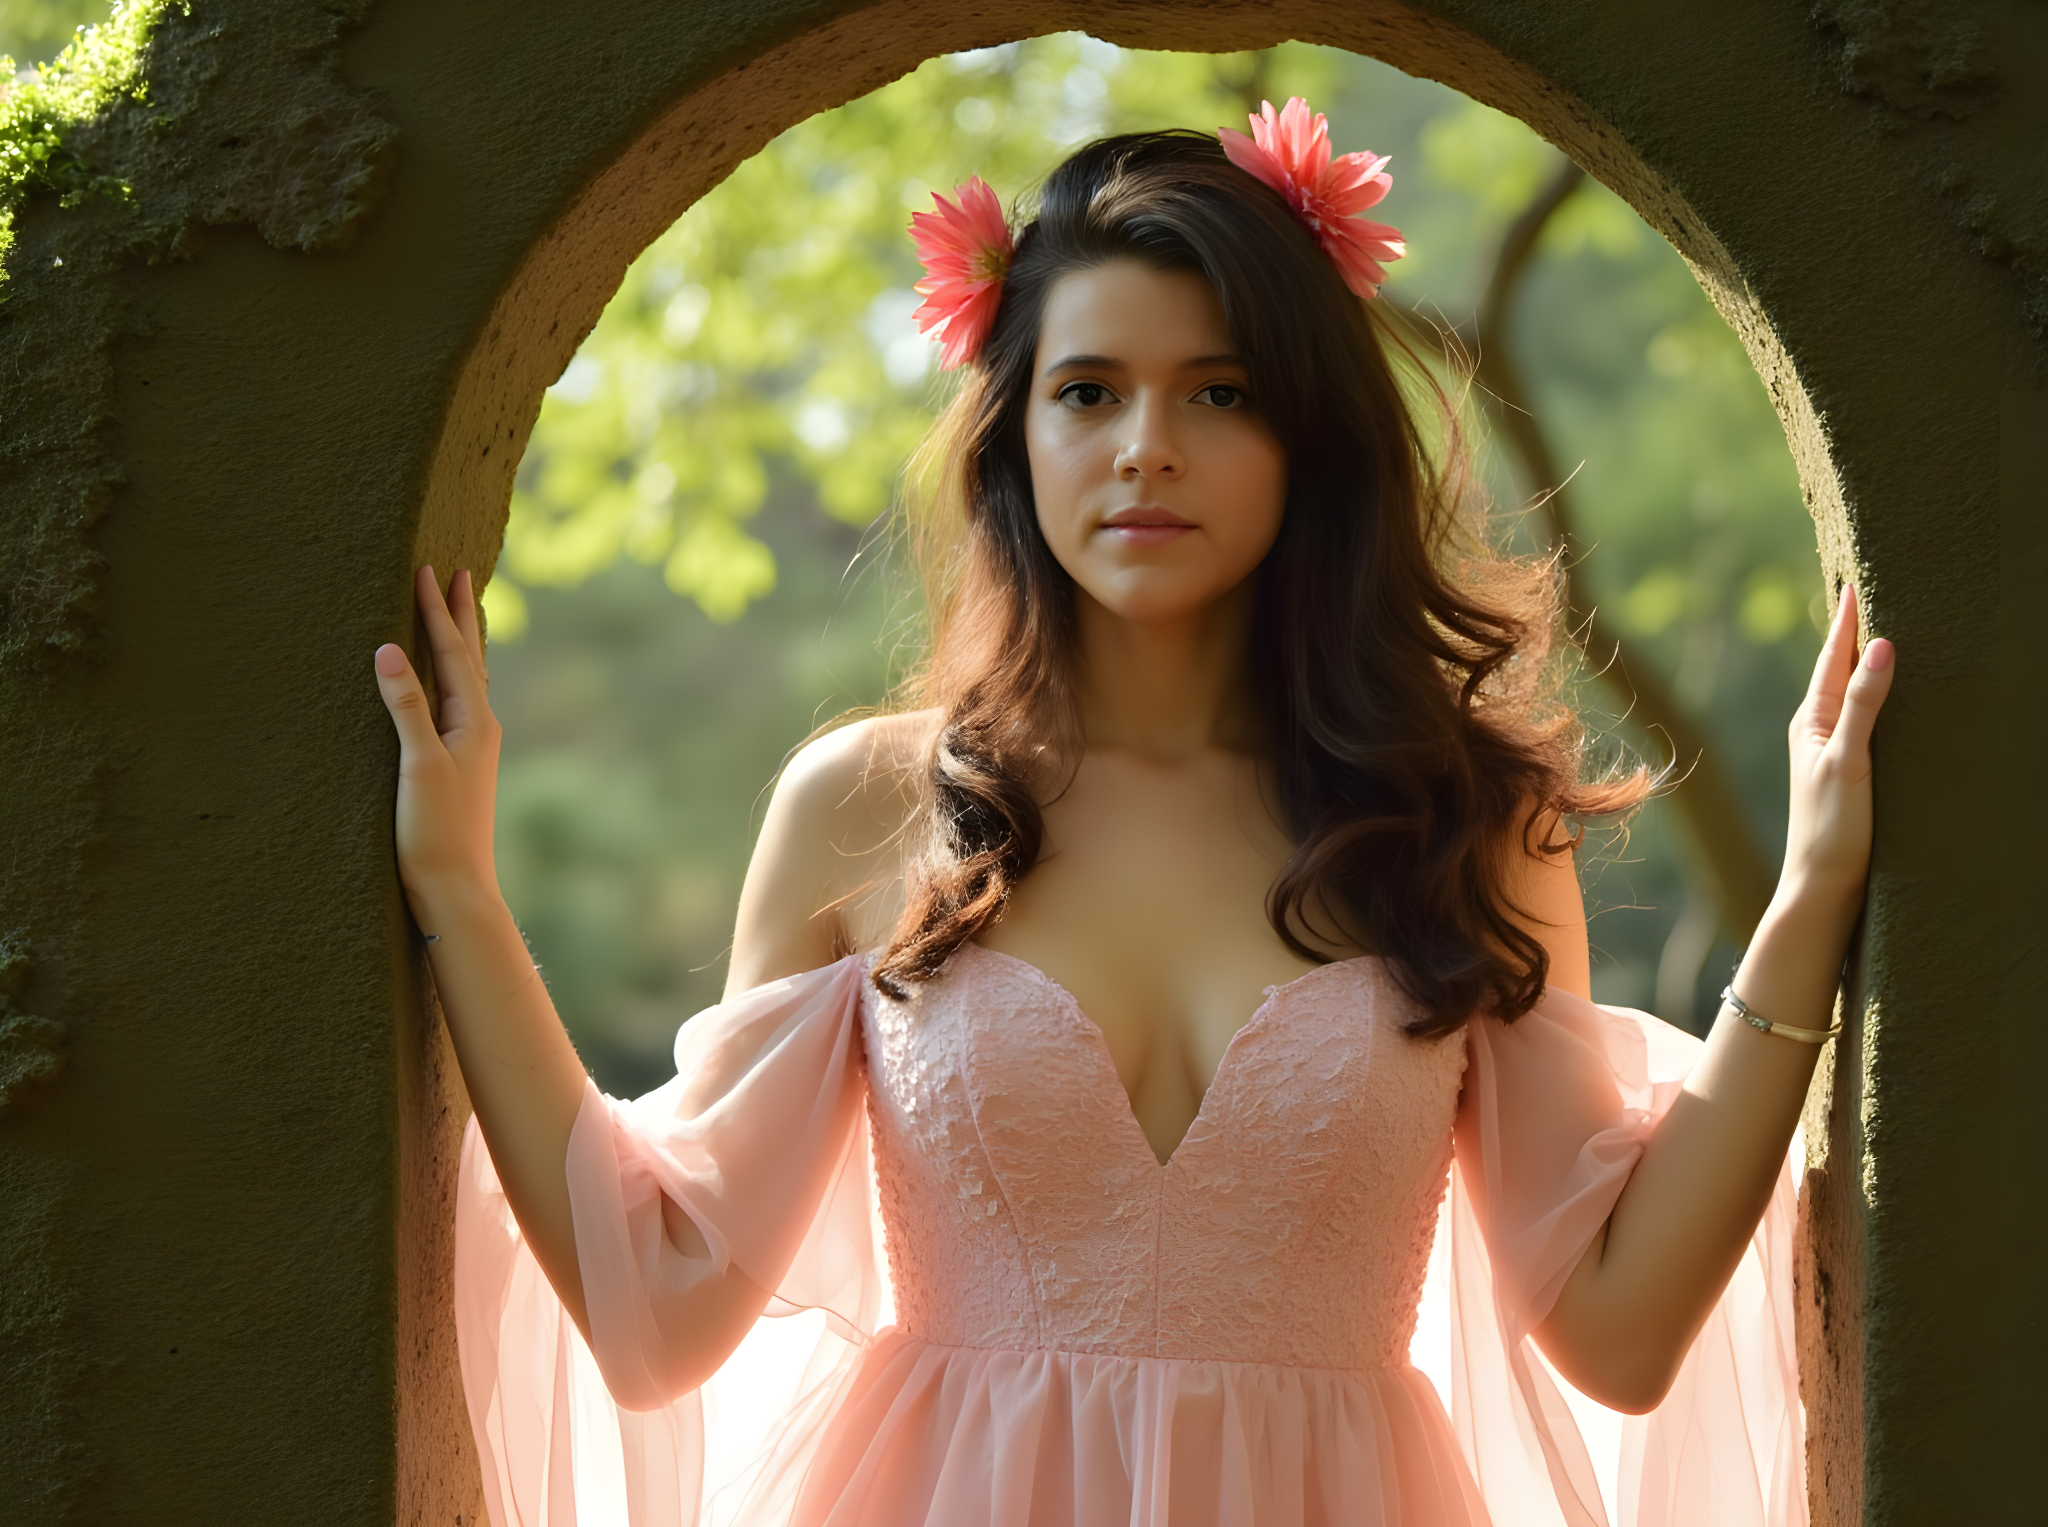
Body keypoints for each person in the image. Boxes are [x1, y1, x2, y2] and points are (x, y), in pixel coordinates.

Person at [373, 102, 1893, 1527]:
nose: (1145, 445)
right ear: (1014, 436)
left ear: (1310, 444)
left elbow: (1620, 1328)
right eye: (1088, 392)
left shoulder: (1465, 824)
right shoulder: (867, 806)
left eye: (1220, 393)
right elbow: (660, 1305)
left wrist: (1811, 901)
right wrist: (457, 892)